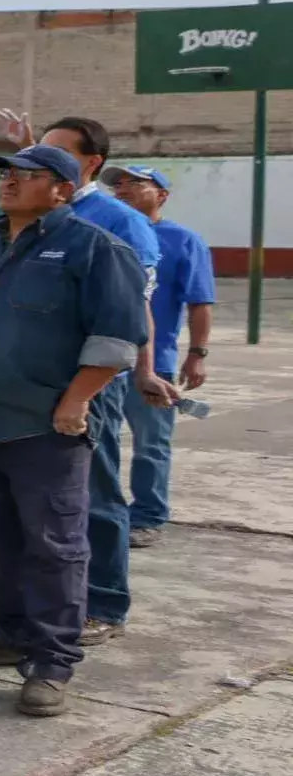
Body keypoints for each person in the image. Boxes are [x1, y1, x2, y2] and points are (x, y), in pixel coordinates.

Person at [0, 144, 148, 717]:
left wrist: (76, 400)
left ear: (63, 187)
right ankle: (12, 630)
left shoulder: (94, 248)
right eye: (5, 173)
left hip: (49, 424)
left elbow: (115, 340)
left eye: (26, 175)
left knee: (54, 547)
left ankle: (52, 662)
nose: (8, 182)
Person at [0, 113, 166, 646]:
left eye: (53, 152)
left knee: (95, 491)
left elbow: (133, 309)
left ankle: (104, 601)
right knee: (28, 498)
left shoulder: (116, 221)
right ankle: (40, 596)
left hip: (88, 383)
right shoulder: (31, 211)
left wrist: (143, 370)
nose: (31, 163)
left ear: (89, 164)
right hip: (26, 381)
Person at [104, 163, 215, 548]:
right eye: (119, 184)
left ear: (162, 195)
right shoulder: (103, 233)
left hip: (155, 362)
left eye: (136, 183)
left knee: (150, 444)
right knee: (96, 441)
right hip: (101, 359)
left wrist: (196, 354)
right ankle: (101, 512)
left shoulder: (183, 240)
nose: (124, 189)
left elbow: (200, 302)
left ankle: (148, 515)